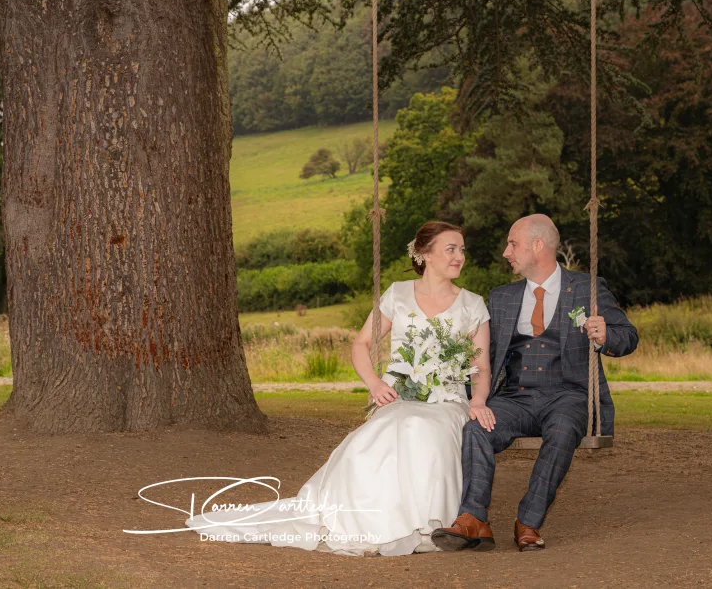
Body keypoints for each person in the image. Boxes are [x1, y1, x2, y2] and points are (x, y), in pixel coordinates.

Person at [185, 221, 494, 555]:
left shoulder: (472, 304)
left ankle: (425, 522)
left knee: (420, 427)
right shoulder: (398, 294)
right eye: (451, 249)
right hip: (401, 396)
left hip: (447, 401)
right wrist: (375, 385)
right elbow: (361, 344)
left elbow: (482, 366)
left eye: (462, 249)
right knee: (382, 431)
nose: (459, 256)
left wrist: (477, 401)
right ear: (424, 253)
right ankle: (365, 517)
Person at [431, 214, 639, 553]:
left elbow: (628, 337)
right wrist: (469, 396)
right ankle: (473, 518)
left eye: (512, 244)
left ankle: (528, 521)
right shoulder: (502, 296)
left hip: (567, 394)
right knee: (476, 429)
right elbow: (482, 355)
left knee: (562, 430)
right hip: (514, 397)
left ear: (537, 246)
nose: (505, 252)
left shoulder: (586, 288)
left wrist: (606, 336)